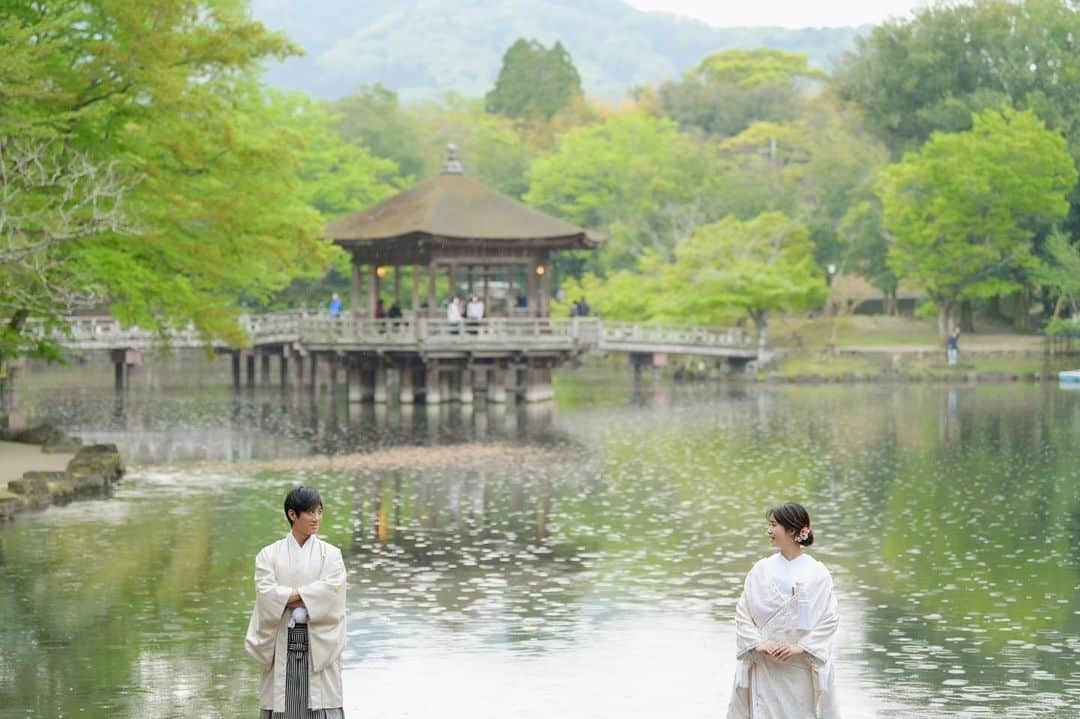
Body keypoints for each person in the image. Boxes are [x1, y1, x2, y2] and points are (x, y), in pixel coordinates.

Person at [727, 502, 840, 719]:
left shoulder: (818, 572)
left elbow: (830, 618)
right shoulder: (761, 569)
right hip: (766, 663)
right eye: (769, 525)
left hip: (801, 664)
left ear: (793, 529)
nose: (769, 531)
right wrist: (758, 644)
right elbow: (743, 612)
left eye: (774, 525)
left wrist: (801, 647)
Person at [245, 486, 347, 719]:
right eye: (310, 512)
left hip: (319, 646)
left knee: (321, 705)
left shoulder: (331, 555)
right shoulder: (268, 555)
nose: (317, 518)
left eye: (320, 512)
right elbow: (266, 595)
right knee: (282, 706)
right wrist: (310, 595)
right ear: (293, 514)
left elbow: (332, 594)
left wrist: (285, 597)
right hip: (281, 644)